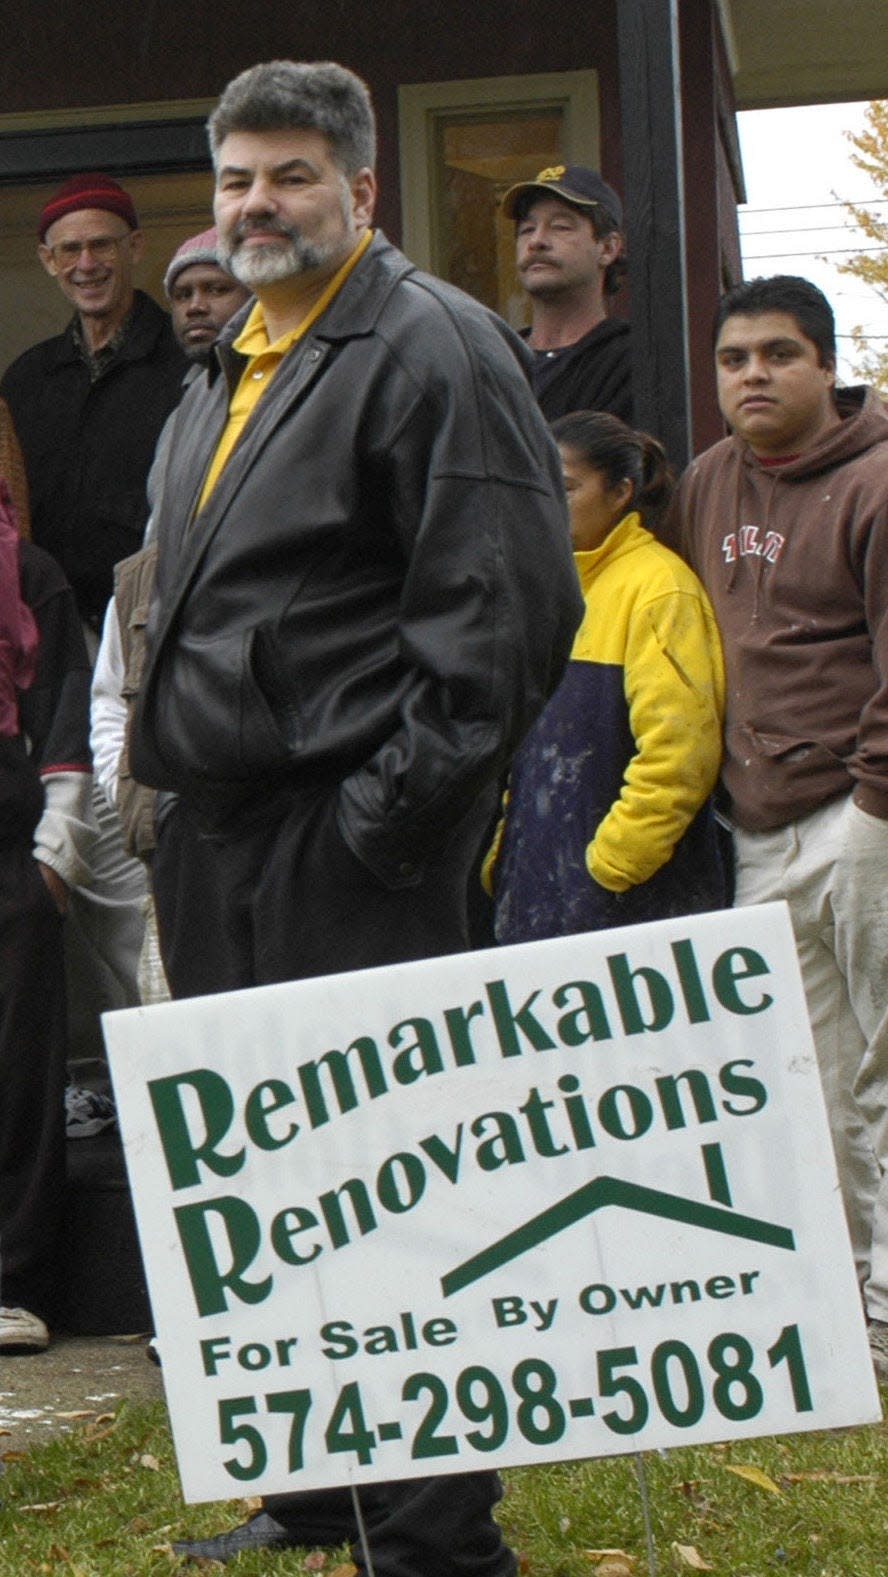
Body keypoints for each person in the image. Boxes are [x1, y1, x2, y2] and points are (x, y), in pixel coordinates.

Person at [129, 56, 583, 1577]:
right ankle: (320, 1491)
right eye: (238, 178)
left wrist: (378, 833)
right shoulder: (231, 357)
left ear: (363, 189)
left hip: (347, 844)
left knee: (390, 1185)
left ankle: (440, 1535)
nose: (260, 204)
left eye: (293, 175)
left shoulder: (431, 346)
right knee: (264, 1186)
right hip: (216, 837)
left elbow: (507, 631)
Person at [672, 273, 888, 1382]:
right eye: (734, 358)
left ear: (826, 363)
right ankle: (842, 1305)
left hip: (866, 814)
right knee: (800, 1074)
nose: (752, 374)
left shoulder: (878, 481)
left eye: (778, 354)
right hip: (755, 822)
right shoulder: (711, 479)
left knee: (884, 1072)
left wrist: (871, 807)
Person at [0, 173, 188, 1127]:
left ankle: (153, 1076)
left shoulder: (182, 369)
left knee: (120, 867)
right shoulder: (27, 378)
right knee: (46, 862)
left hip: (137, 636)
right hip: (41, 632)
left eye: (101, 244)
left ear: (132, 247)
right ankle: (77, 1078)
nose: (85, 263)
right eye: (67, 249)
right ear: (46, 261)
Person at [484, 410, 725, 943]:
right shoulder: (551, 589)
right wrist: (508, 852)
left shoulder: (658, 588)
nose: (547, 499)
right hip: (536, 893)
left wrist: (611, 867)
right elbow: (533, 753)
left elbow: (680, 754)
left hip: (626, 911)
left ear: (620, 493)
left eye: (566, 486)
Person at [90, 229, 249, 1003]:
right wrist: (129, 795)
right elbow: (113, 686)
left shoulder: (287, 402)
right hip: (173, 818)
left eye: (214, 289)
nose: (196, 307)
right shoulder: (182, 410)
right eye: (184, 293)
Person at [0, 426, 94, 1352]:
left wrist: (53, 856)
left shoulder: (30, 573)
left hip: (9, 852)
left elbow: (67, 711)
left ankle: (15, 1279)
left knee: (19, 1070)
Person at [501, 164, 631, 423]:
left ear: (607, 248)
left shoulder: (631, 360)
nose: (537, 241)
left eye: (560, 227)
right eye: (527, 229)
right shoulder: (497, 359)